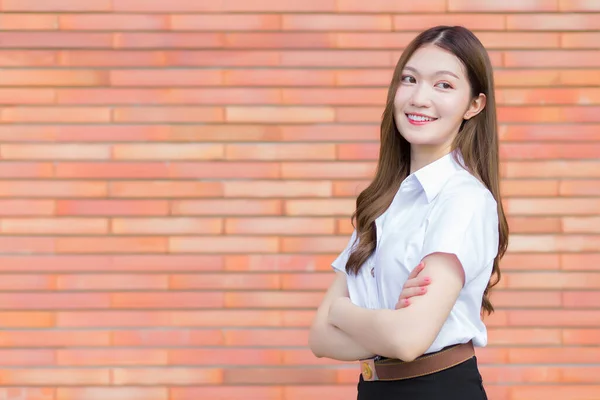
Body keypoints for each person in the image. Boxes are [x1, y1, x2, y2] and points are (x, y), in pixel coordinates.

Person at [308, 25, 509, 400]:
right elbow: (319, 337)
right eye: (410, 79)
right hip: (375, 390)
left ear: (474, 105)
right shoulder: (384, 200)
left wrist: (342, 311)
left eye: (443, 85)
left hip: (437, 389)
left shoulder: (463, 199)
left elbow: (408, 339)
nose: (419, 97)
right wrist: (388, 323)